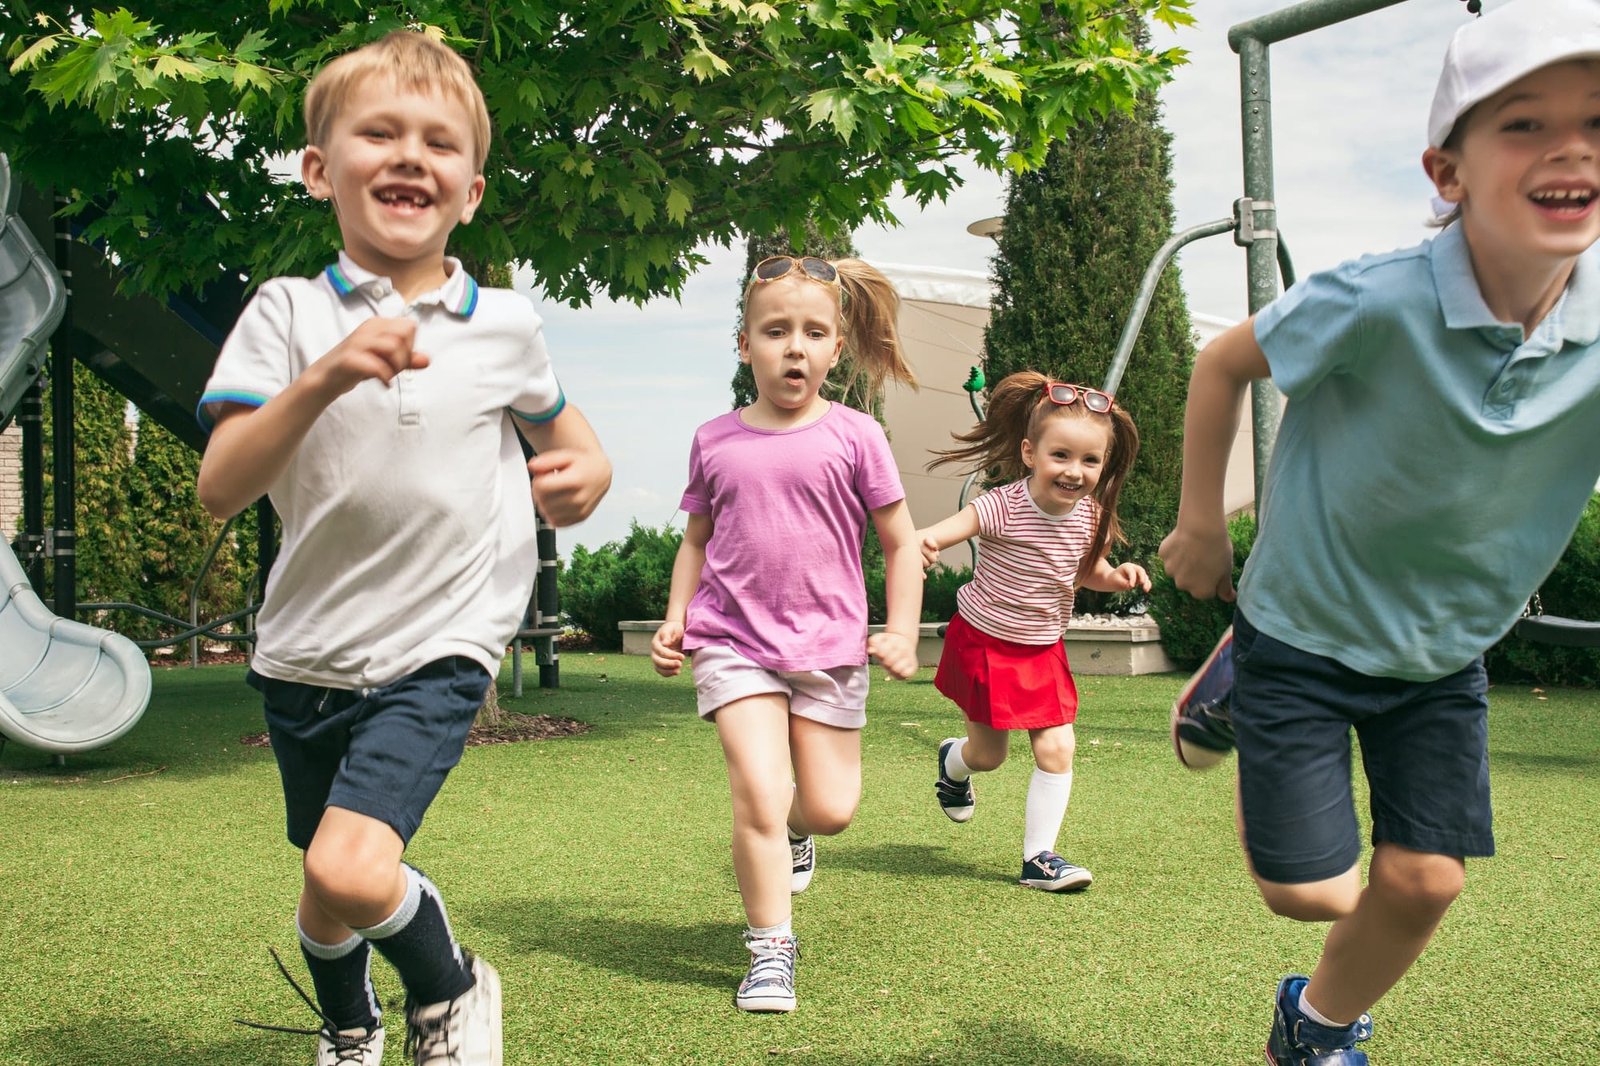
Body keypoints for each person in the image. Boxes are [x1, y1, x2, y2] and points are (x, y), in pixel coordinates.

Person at [1158, 1, 1600, 1061]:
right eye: (1525, 125)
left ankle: (1313, 1027)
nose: (1572, 149)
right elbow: (1223, 362)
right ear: (1447, 173)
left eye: (1597, 123)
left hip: (1441, 649)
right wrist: (1200, 526)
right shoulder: (1377, 297)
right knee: (1311, 890)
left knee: (1427, 881)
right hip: (1303, 628)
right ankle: (1236, 679)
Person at [195, 31, 611, 1066]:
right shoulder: (286, 313)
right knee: (328, 882)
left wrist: (589, 476)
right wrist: (326, 374)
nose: (409, 156)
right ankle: (350, 1024)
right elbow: (220, 486)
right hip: (307, 650)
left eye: (437, 142)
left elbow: (569, 438)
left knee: (348, 865)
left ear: (471, 191)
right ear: (318, 169)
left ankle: (451, 990)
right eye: (378, 133)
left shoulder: (504, 323)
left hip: (441, 644)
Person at [649, 254, 922, 1013]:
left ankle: (796, 831)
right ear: (745, 345)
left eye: (813, 333)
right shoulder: (714, 440)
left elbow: (901, 542)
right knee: (759, 795)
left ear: (837, 348)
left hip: (830, 647)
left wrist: (902, 630)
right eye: (775, 332)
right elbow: (696, 540)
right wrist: (676, 617)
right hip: (732, 641)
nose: (794, 348)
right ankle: (771, 949)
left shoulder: (859, 436)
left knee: (829, 809)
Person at [917, 372, 1148, 892]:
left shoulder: (1090, 518)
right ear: (1029, 453)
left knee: (1058, 749)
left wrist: (1115, 577)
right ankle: (954, 762)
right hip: (985, 643)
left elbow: (1086, 570)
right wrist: (922, 544)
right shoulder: (1002, 506)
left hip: (1042, 649)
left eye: (1090, 460)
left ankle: (1038, 859)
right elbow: (938, 534)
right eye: (1060, 455)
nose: (1074, 471)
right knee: (989, 756)